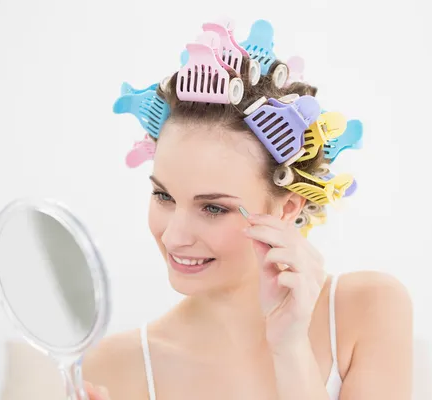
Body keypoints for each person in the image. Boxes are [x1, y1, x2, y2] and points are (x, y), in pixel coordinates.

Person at [82, 19, 413, 400]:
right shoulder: (112, 367)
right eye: (163, 196)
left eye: (212, 208)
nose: (174, 236)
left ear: (287, 208)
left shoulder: (367, 310)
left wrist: (290, 348)